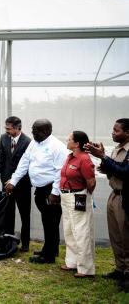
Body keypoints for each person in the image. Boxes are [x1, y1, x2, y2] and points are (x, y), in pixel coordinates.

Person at [5, 119, 68, 264]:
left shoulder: (57, 147)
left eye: (36, 130)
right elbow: (24, 162)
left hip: (51, 190)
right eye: (32, 130)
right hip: (40, 189)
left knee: (51, 222)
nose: (32, 133)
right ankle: (50, 248)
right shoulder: (34, 143)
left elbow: (60, 172)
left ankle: (49, 255)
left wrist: (55, 193)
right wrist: (13, 181)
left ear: (47, 131)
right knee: (47, 221)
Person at [85, 118, 129, 291]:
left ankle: (128, 274)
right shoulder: (118, 149)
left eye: (116, 130)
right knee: (116, 236)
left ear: (127, 133)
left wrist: (103, 157)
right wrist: (104, 160)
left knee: (126, 237)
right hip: (114, 195)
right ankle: (120, 269)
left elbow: (125, 172)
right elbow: (113, 170)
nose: (113, 133)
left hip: (125, 197)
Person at [60, 131, 96, 278]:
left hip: (78, 196)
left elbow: (91, 182)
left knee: (81, 231)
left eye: (69, 139)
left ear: (77, 144)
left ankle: (86, 268)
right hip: (66, 196)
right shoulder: (70, 157)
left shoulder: (84, 159)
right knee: (69, 230)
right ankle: (72, 262)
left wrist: (84, 196)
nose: (66, 140)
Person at [0, 116, 32, 252]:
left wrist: (15, 181)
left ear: (17, 128)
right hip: (5, 184)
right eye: (6, 128)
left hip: (22, 185)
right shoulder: (4, 138)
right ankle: (8, 241)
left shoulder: (28, 142)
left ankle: (25, 244)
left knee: (24, 215)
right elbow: (1, 158)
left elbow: (28, 166)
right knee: (8, 214)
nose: (6, 131)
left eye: (9, 128)